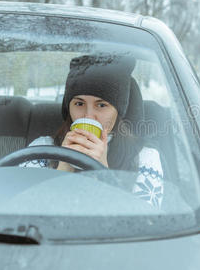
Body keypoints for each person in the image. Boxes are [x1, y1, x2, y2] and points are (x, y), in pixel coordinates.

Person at [23, 54, 164, 208]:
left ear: (118, 112)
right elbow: (21, 212)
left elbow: (144, 224)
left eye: (101, 105)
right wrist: (63, 167)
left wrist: (104, 173)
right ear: (68, 107)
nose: (88, 116)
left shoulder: (143, 158)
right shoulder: (42, 149)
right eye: (79, 103)